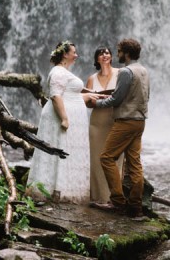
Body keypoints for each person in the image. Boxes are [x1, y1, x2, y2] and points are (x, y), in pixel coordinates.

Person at [26, 41, 98, 204]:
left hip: (67, 116)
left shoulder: (64, 72)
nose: (76, 55)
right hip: (59, 118)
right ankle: (51, 191)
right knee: (57, 151)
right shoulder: (58, 71)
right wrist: (65, 118)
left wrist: (89, 95)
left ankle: (61, 189)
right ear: (65, 54)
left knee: (64, 152)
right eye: (74, 52)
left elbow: (68, 94)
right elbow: (56, 96)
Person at [87, 38, 150, 218]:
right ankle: (136, 208)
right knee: (135, 164)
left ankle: (118, 202)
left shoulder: (125, 72)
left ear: (126, 53)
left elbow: (116, 98)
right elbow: (147, 96)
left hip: (125, 121)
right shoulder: (144, 71)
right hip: (140, 121)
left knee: (106, 157)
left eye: (119, 51)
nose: (118, 54)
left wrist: (96, 104)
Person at [85, 45, 123, 205]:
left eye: (107, 53)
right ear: (96, 59)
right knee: (96, 158)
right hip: (97, 122)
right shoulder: (91, 79)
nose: (104, 55)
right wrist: (94, 100)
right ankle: (98, 197)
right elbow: (87, 102)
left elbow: (125, 96)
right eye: (100, 53)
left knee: (115, 158)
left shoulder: (121, 74)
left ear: (112, 57)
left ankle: (114, 197)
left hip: (115, 120)